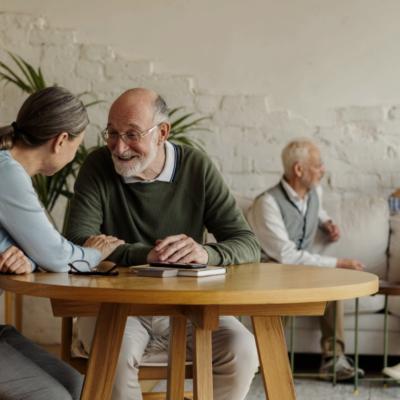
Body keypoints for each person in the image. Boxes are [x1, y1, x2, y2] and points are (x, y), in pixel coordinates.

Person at [65, 87, 261, 400]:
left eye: (131, 134)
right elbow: (77, 244)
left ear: (162, 133)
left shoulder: (196, 167)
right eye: (112, 133)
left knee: (243, 349)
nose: (119, 146)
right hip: (116, 307)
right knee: (113, 352)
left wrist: (203, 253)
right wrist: (149, 256)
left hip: (189, 306)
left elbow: (247, 243)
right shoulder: (98, 166)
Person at [0, 86, 124, 400]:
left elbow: (35, 250)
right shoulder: (7, 173)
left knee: (82, 389)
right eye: (77, 146)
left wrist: (25, 258)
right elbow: (57, 257)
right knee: (55, 397)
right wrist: (96, 251)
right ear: (60, 141)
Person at [246, 138, 365, 381]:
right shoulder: (266, 203)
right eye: (318, 165)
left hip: (299, 270)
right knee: (286, 288)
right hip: (272, 269)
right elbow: (286, 256)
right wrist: (340, 263)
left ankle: (333, 361)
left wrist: (327, 223)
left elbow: (315, 210)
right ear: (299, 170)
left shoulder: (314, 192)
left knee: (333, 284)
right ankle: (271, 359)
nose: (323, 170)